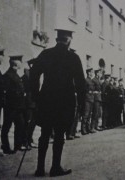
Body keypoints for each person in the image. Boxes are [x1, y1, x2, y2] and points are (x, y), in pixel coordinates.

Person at [30, 29, 85, 177]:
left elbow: (33, 75)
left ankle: (40, 169)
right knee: (59, 134)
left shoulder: (45, 54)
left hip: (46, 100)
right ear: (69, 41)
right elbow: (81, 83)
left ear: (57, 40)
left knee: (44, 133)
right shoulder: (73, 57)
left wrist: (35, 97)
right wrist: (81, 103)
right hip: (65, 101)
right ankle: (55, 168)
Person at [1, 55, 28, 154]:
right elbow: (7, 91)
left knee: (20, 125)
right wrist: (18, 93)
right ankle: (5, 147)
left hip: (18, 106)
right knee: (6, 127)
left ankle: (18, 145)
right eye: (20, 61)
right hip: (11, 106)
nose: (21, 63)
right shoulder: (8, 75)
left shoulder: (16, 74)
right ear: (15, 64)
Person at [81, 68, 95, 135]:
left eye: (92, 72)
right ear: (88, 73)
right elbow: (84, 90)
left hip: (91, 98)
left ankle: (88, 128)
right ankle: (83, 129)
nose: (91, 73)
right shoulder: (86, 80)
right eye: (90, 72)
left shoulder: (91, 81)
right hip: (87, 99)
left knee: (89, 114)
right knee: (85, 114)